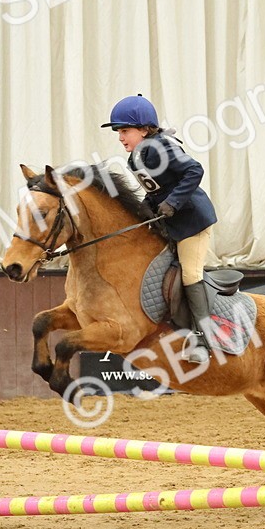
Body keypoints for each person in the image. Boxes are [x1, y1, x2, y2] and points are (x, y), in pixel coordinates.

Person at [102, 95, 218, 363]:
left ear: (144, 129)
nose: (120, 137)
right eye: (118, 132)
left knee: (190, 274)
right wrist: (146, 205)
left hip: (193, 223)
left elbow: (194, 170)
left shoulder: (161, 146)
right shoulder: (135, 158)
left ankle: (203, 340)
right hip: (171, 224)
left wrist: (172, 203)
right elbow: (157, 188)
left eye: (124, 130)